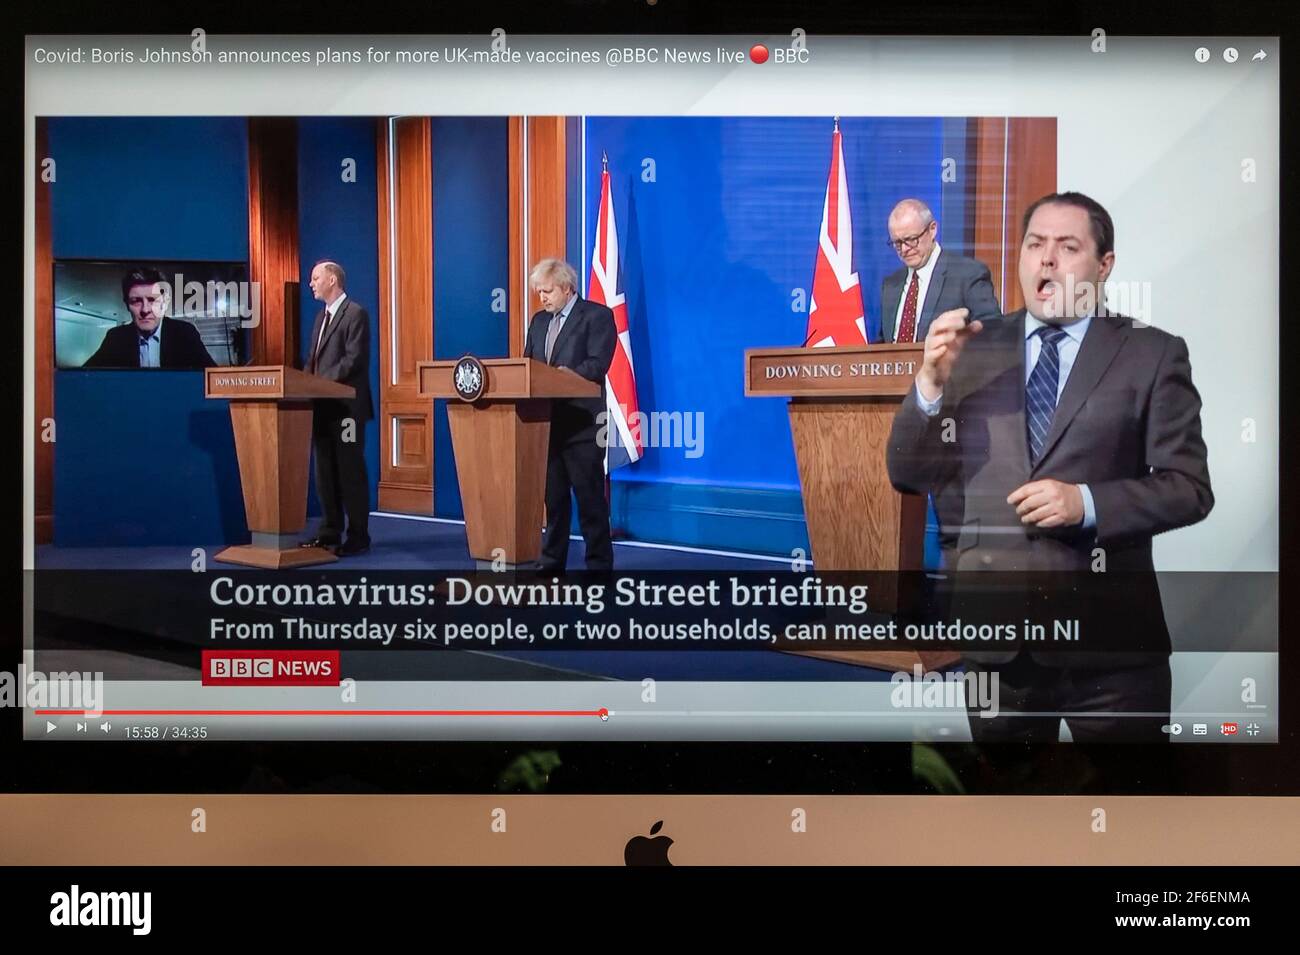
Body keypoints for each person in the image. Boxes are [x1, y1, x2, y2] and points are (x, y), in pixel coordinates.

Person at [887, 192, 1213, 742]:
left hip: (1114, 655)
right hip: (999, 649)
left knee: (1129, 817)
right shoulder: (971, 349)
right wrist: (929, 386)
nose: (1047, 259)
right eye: (1035, 244)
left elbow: (1189, 488)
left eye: (1067, 247)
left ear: (1103, 266)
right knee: (1008, 816)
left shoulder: (1152, 353)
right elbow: (907, 474)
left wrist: (1085, 504)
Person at [522, 258, 617, 572]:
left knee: (590, 503)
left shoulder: (596, 316)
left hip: (583, 426)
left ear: (566, 288)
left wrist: (565, 377)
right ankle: (551, 565)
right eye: (539, 293)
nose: (543, 298)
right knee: (555, 503)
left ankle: (599, 568)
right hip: (546, 426)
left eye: (547, 291)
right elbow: (528, 368)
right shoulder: (538, 321)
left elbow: (597, 364)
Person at [299, 260, 373, 557]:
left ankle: (358, 535)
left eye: (315, 278)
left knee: (349, 471)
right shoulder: (320, 318)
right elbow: (313, 360)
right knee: (325, 472)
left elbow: (353, 360)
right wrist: (303, 384)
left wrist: (318, 383)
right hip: (322, 408)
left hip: (347, 410)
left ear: (332, 279)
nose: (311, 284)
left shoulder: (356, 313)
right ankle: (329, 531)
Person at [879, 199, 1001, 344]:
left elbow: (993, 329)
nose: (904, 249)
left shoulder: (968, 274)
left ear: (932, 229)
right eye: (897, 243)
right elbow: (884, 345)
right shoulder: (891, 285)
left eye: (911, 240)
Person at [83, 267, 215, 368]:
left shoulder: (185, 333)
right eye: (136, 301)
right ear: (127, 305)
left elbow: (213, 378)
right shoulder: (115, 338)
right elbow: (83, 376)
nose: (145, 310)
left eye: (152, 300)